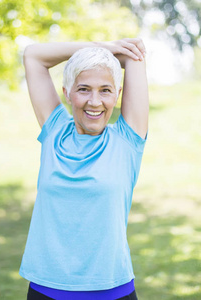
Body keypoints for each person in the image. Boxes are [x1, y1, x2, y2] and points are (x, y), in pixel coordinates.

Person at [19, 38, 148, 300]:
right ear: (67, 92)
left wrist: (109, 56)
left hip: (111, 291)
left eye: (105, 90)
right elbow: (33, 56)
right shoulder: (55, 131)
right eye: (84, 89)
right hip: (47, 289)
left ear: (117, 94)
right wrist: (103, 48)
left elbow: (135, 57)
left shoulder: (126, 140)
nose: (94, 101)